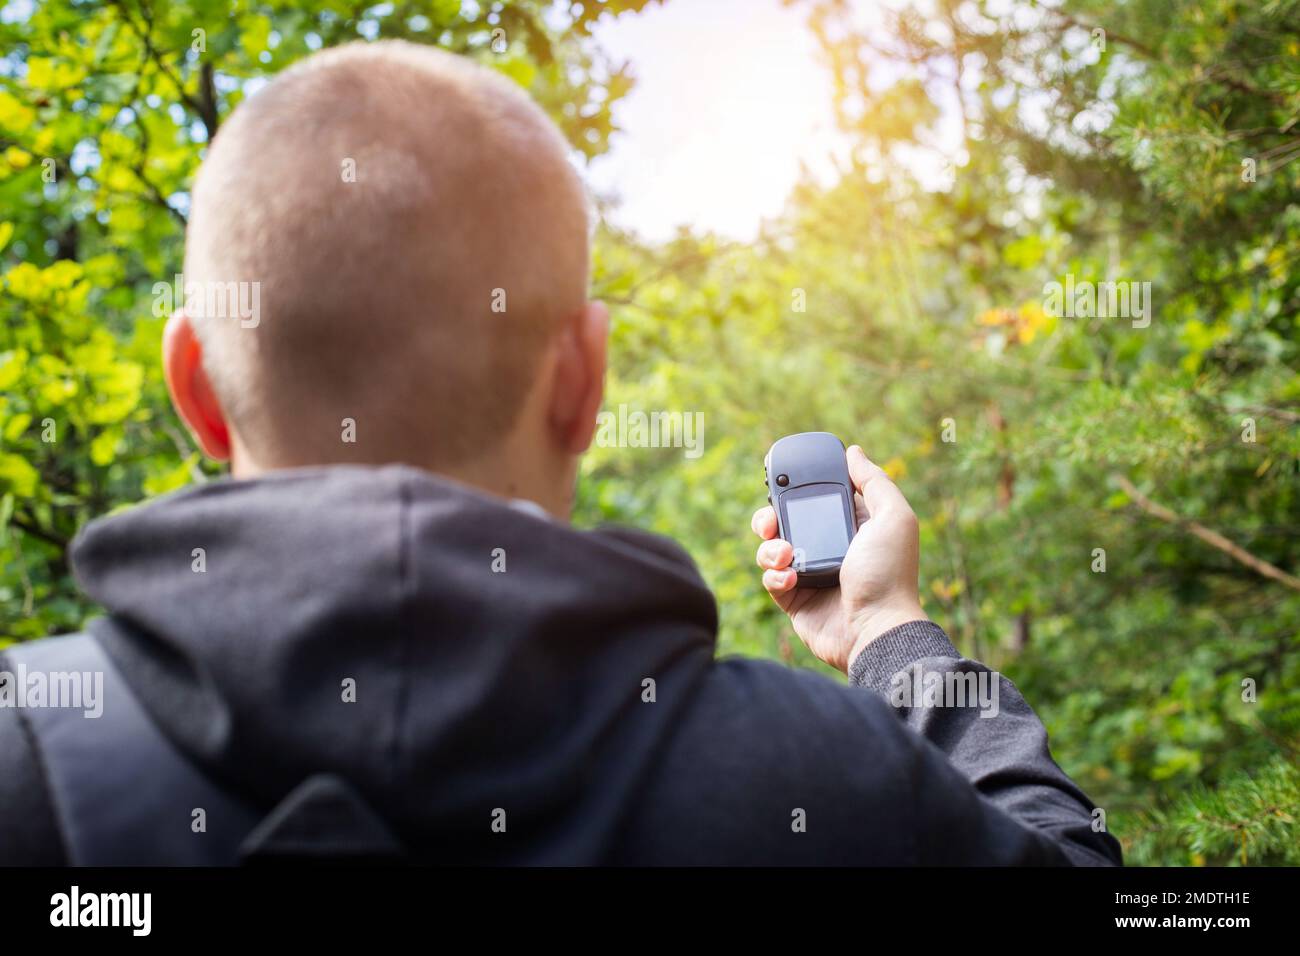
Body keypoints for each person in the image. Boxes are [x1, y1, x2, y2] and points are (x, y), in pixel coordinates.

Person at [0, 41, 1121, 866]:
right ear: (584, 380)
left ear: (194, 386)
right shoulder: (816, 781)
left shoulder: (29, 755)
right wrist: (886, 633)